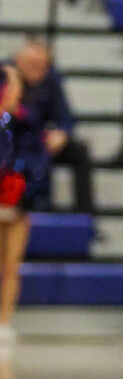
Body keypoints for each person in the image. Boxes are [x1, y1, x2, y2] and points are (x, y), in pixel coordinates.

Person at [9, 36, 92, 214]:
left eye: (42, 66)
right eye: (32, 65)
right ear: (18, 60)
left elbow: (65, 115)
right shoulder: (5, 76)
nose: (37, 70)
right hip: (11, 142)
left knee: (78, 151)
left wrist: (61, 133)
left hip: (38, 141)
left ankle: (85, 219)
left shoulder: (51, 78)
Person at [0, 64, 48, 348]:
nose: (16, 90)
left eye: (19, 84)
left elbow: (38, 159)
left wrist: (26, 180)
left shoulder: (27, 121)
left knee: (12, 265)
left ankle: (4, 320)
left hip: (17, 201)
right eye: (11, 84)